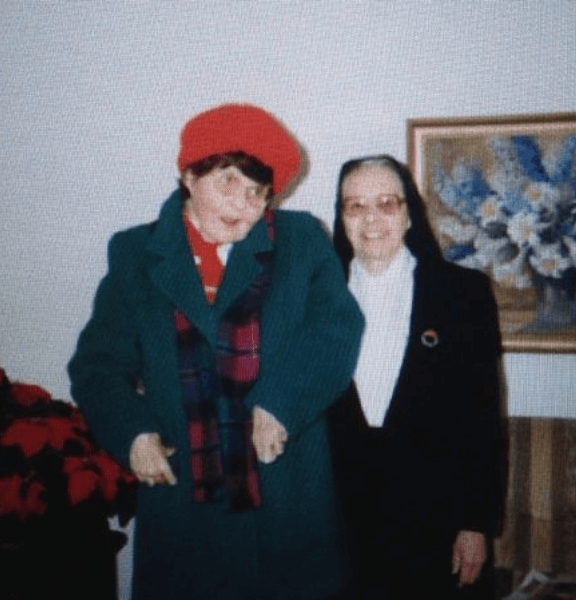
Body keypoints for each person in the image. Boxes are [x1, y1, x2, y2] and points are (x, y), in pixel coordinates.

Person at [68, 103, 364, 600]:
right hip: (184, 497)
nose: (244, 205)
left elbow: (335, 331)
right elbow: (97, 367)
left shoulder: (301, 241)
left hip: (285, 494)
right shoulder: (135, 255)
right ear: (188, 175)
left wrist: (281, 403)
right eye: (228, 182)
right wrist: (133, 434)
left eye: (257, 192)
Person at [327, 155, 505, 600]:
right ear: (341, 217)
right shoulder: (318, 296)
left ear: (409, 215)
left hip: (433, 518)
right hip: (338, 521)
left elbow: (483, 419)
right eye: (355, 206)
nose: (371, 219)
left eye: (387, 203)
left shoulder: (463, 294)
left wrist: (475, 525)